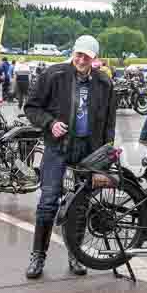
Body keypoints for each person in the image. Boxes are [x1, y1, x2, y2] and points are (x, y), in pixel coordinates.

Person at [24, 35, 116, 279]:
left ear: (95, 58)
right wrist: (50, 123)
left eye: (86, 55)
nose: (81, 59)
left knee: (81, 204)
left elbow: (109, 123)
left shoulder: (104, 83)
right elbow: (31, 107)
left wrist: (104, 159)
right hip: (58, 146)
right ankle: (38, 256)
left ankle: (75, 254)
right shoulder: (54, 75)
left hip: (88, 150)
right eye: (78, 54)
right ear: (73, 53)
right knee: (48, 201)